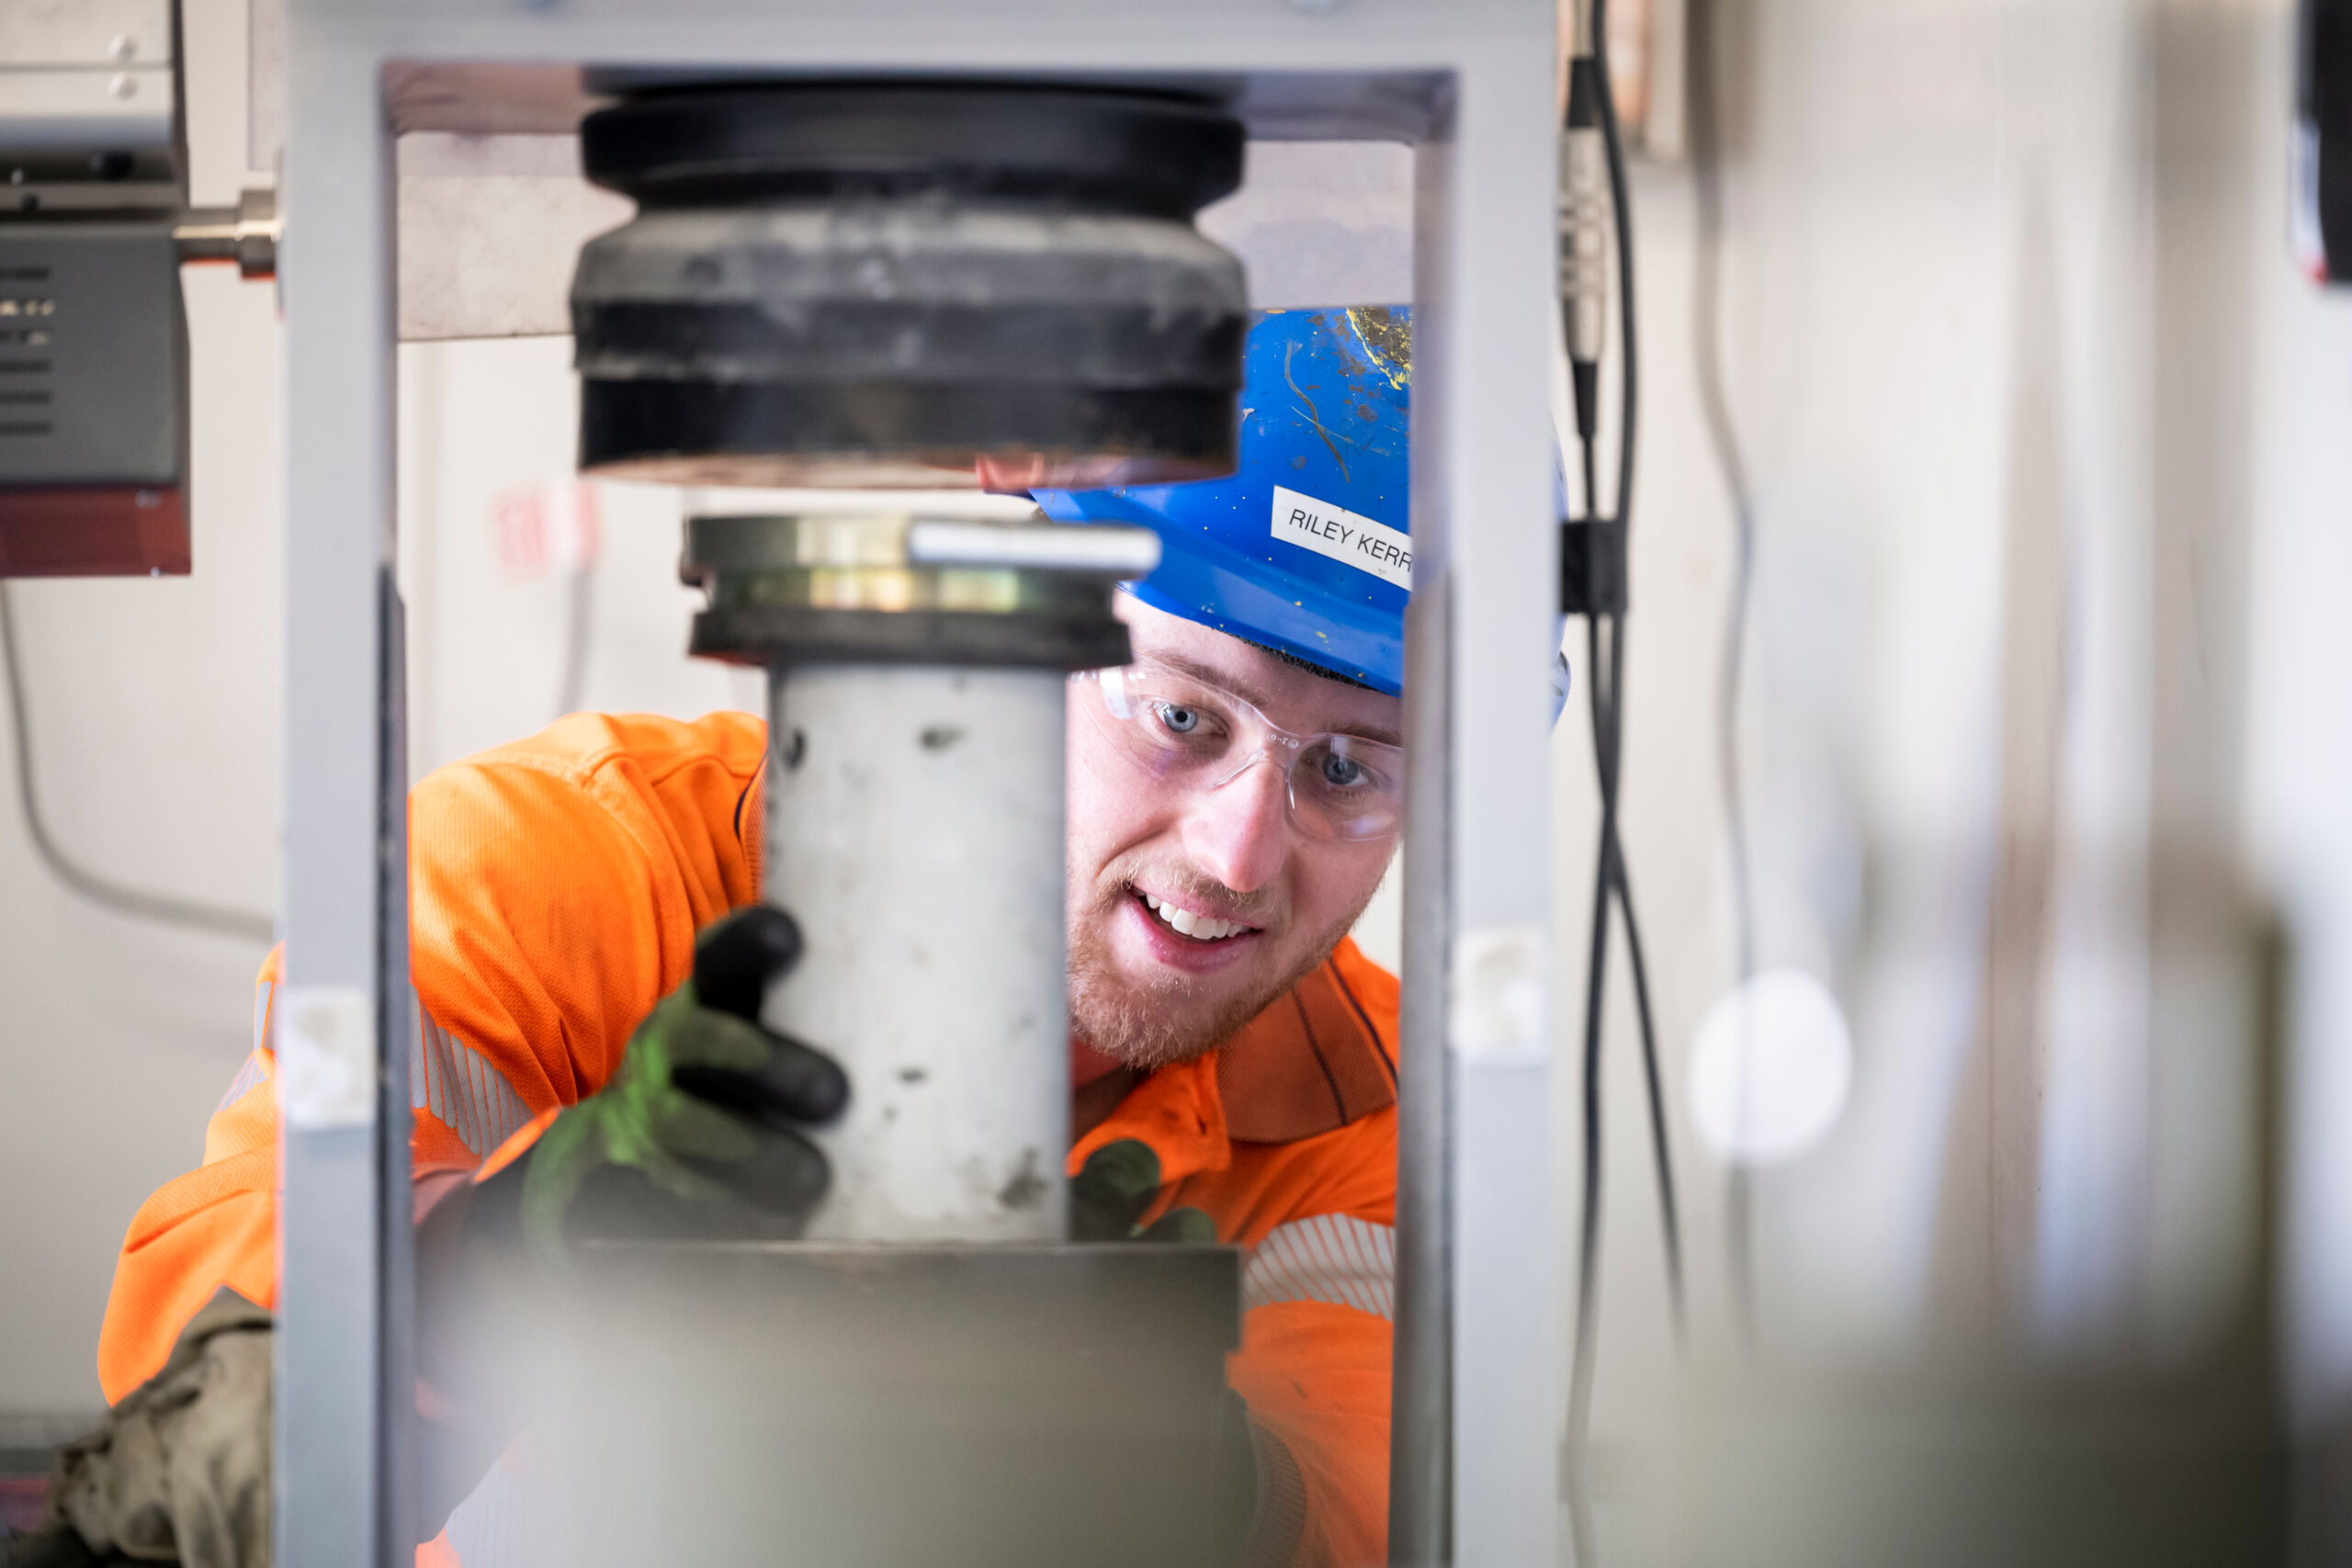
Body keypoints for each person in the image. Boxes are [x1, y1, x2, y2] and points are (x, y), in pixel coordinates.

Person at [84, 307, 1417, 1568]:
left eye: (1352, 771)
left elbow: (1376, 1508)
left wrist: (1184, 1478)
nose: (1240, 854)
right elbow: (195, 1391)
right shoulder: (541, 871)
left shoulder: (1369, 1107)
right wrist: (498, 1266)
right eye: (1181, 717)